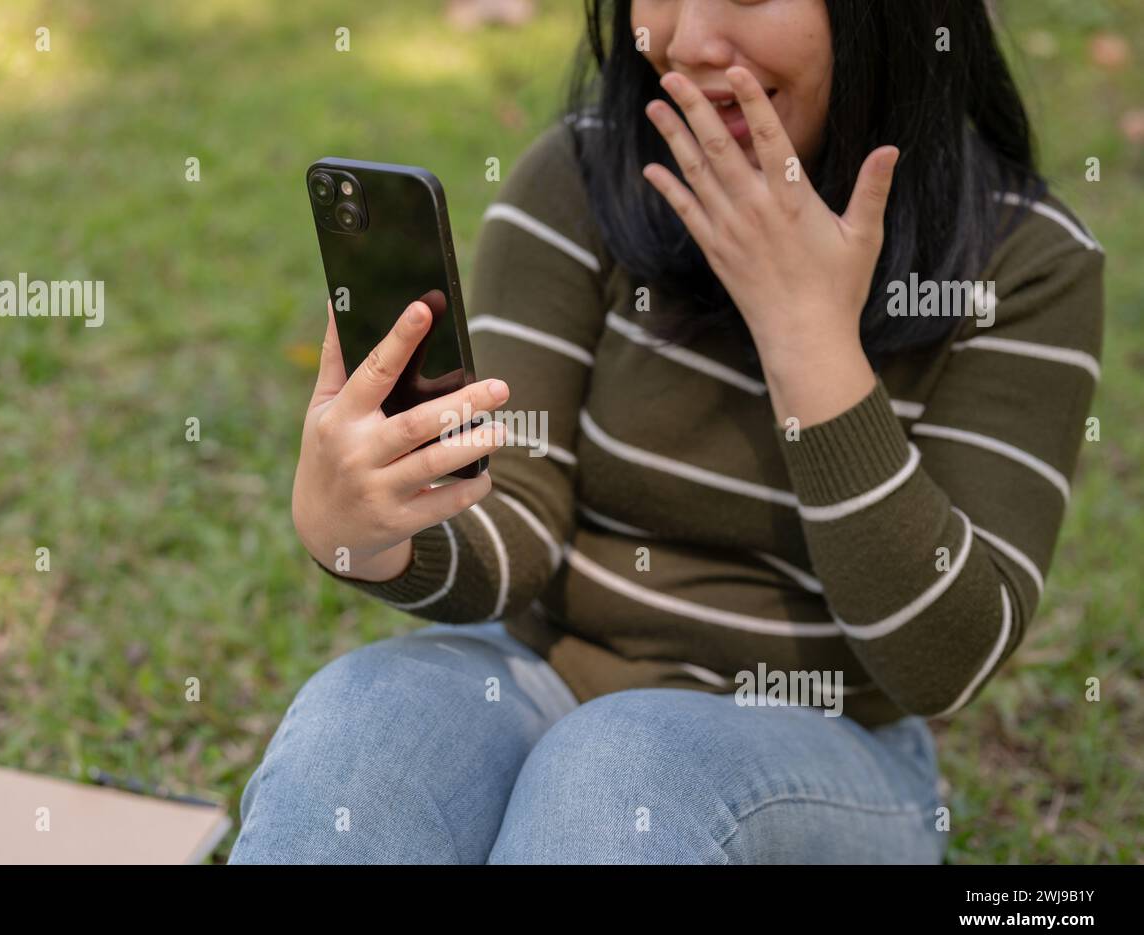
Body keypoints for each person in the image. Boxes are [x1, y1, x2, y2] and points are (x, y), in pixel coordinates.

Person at [231, 0, 1104, 863]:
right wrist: (366, 534)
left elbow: (941, 659)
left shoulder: (1021, 263)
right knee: (367, 716)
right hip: (542, 677)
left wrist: (808, 337)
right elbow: (519, 515)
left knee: (624, 763)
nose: (684, 39)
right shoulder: (584, 176)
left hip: (827, 749)